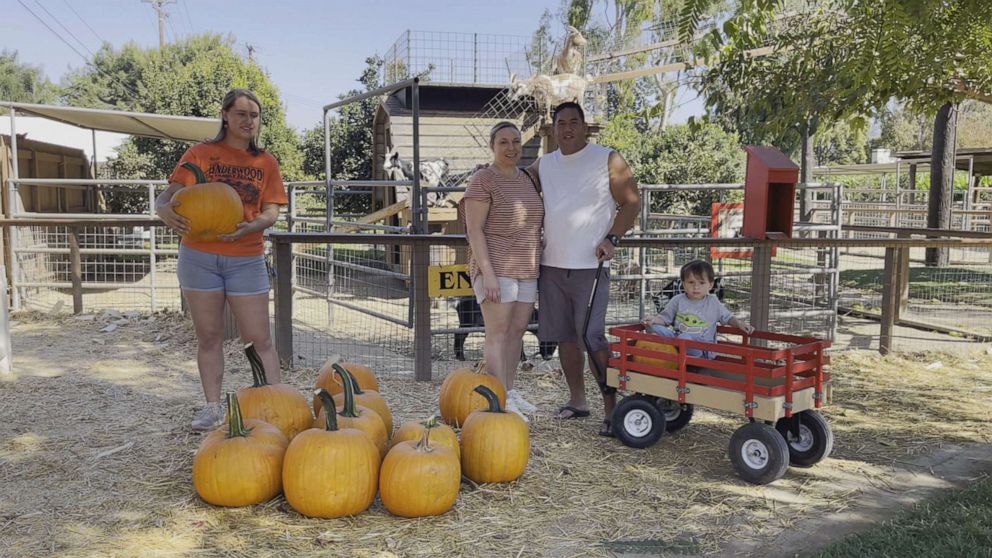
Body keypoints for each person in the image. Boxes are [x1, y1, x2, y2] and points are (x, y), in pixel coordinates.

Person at [155, 89, 288, 431]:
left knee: (260, 338)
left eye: (254, 115)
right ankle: (213, 408)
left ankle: (277, 405)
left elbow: (271, 211)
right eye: (242, 113)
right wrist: (162, 210)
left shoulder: (266, 163)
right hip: (199, 257)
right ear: (225, 115)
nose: (249, 121)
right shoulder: (201, 154)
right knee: (209, 336)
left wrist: (255, 224)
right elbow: (168, 195)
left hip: (247, 258)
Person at [527, 102, 641, 437]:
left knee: (591, 337)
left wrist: (613, 238)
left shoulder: (608, 159)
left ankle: (612, 407)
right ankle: (578, 400)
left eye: (574, 122)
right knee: (565, 337)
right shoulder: (543, 164)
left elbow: (632, 201)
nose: (567, 129)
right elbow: (516, 186)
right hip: (551, 266)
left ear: (584, 125)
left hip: (590, 266)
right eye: (561, 123)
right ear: (554, 127)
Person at [463, 121, 545, 421]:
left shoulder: (526, 177)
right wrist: (488, 274)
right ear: (492, 146)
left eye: (515, 142)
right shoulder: (483, 179)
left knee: (516, 333)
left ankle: (509, 392)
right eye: (503, 143)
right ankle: (496, 400)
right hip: (496, 267)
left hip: (527, 267)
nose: (511, 148)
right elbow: (473, 229)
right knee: (497, 334)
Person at [644, 260, 755, 358]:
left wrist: (739, 323)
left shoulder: (713, 302)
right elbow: (665, 318)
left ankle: (680, 351)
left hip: (702, 348)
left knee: (684, 338)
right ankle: (676, 349)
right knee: (652, 327)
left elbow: (728, 317)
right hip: (678, 338)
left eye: (701, 283)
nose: (696, 287)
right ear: (684, 284)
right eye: (691, 282)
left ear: (710, 285)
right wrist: (654, 320)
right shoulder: (677, 300)